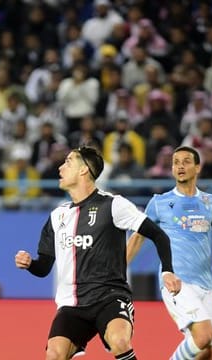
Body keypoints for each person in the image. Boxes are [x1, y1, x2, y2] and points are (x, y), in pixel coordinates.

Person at [14, 145, 181, 360]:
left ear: (83, 170)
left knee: (120, 341)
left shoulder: (113, 205)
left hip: (110, 298)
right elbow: (44, 267)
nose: (60, 168)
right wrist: (30, 264)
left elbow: (159, 235)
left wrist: (167, 271)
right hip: (71, 304)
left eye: (68, 162)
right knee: (54, 354)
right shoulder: (57, 216)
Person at [127, 146, 212, 360]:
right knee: (203, 336)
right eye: (176, 162)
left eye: (186, 161)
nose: (180, 166)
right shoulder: (159, 203)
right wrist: (116, 270)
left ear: (198, 167)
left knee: (206, 352)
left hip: (206, 286)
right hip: (177, 282)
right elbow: (137, 239)